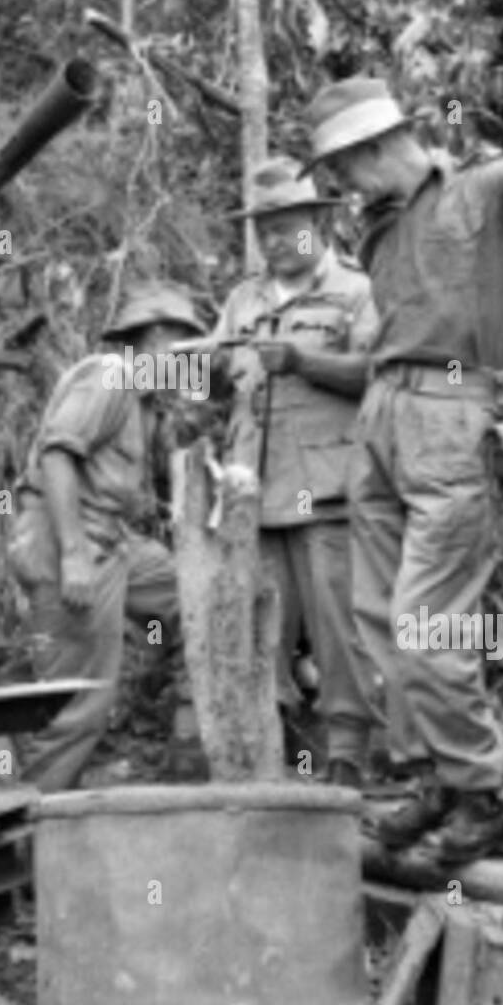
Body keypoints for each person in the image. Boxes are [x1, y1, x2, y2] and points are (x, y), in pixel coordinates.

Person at [306, 47, 503, 863]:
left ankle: (483, 797)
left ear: (375, 147)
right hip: (381, 413)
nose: (340, 184)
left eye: (342, 167)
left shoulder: (489, 190)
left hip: (450, 413)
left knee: (426, 625)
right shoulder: (378, 226)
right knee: (380, 621)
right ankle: (434, 782)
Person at [207, 156, 383, 787]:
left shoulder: (356, 291)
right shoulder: (243, 299)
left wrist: (304, 362)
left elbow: (380, 374)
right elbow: (219, 377)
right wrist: (199, 372)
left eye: (285, 227)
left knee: (339, 628)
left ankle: (349, 757)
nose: (274, 241)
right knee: (259, 628)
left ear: (318, 225)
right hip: (251, 492)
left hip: (324, 489)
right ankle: (266, 755)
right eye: (264, 230)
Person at [7, 282, 202, 792]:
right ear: (156, 337)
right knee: (80, 701)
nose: (191, 361)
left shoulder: (146, 400)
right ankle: (34, 816)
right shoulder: (110, 376)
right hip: (69, 541)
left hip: (114, 542)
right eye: (184, 347)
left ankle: (190, 743)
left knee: (198, 596)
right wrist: (73, 555)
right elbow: (57, 454)